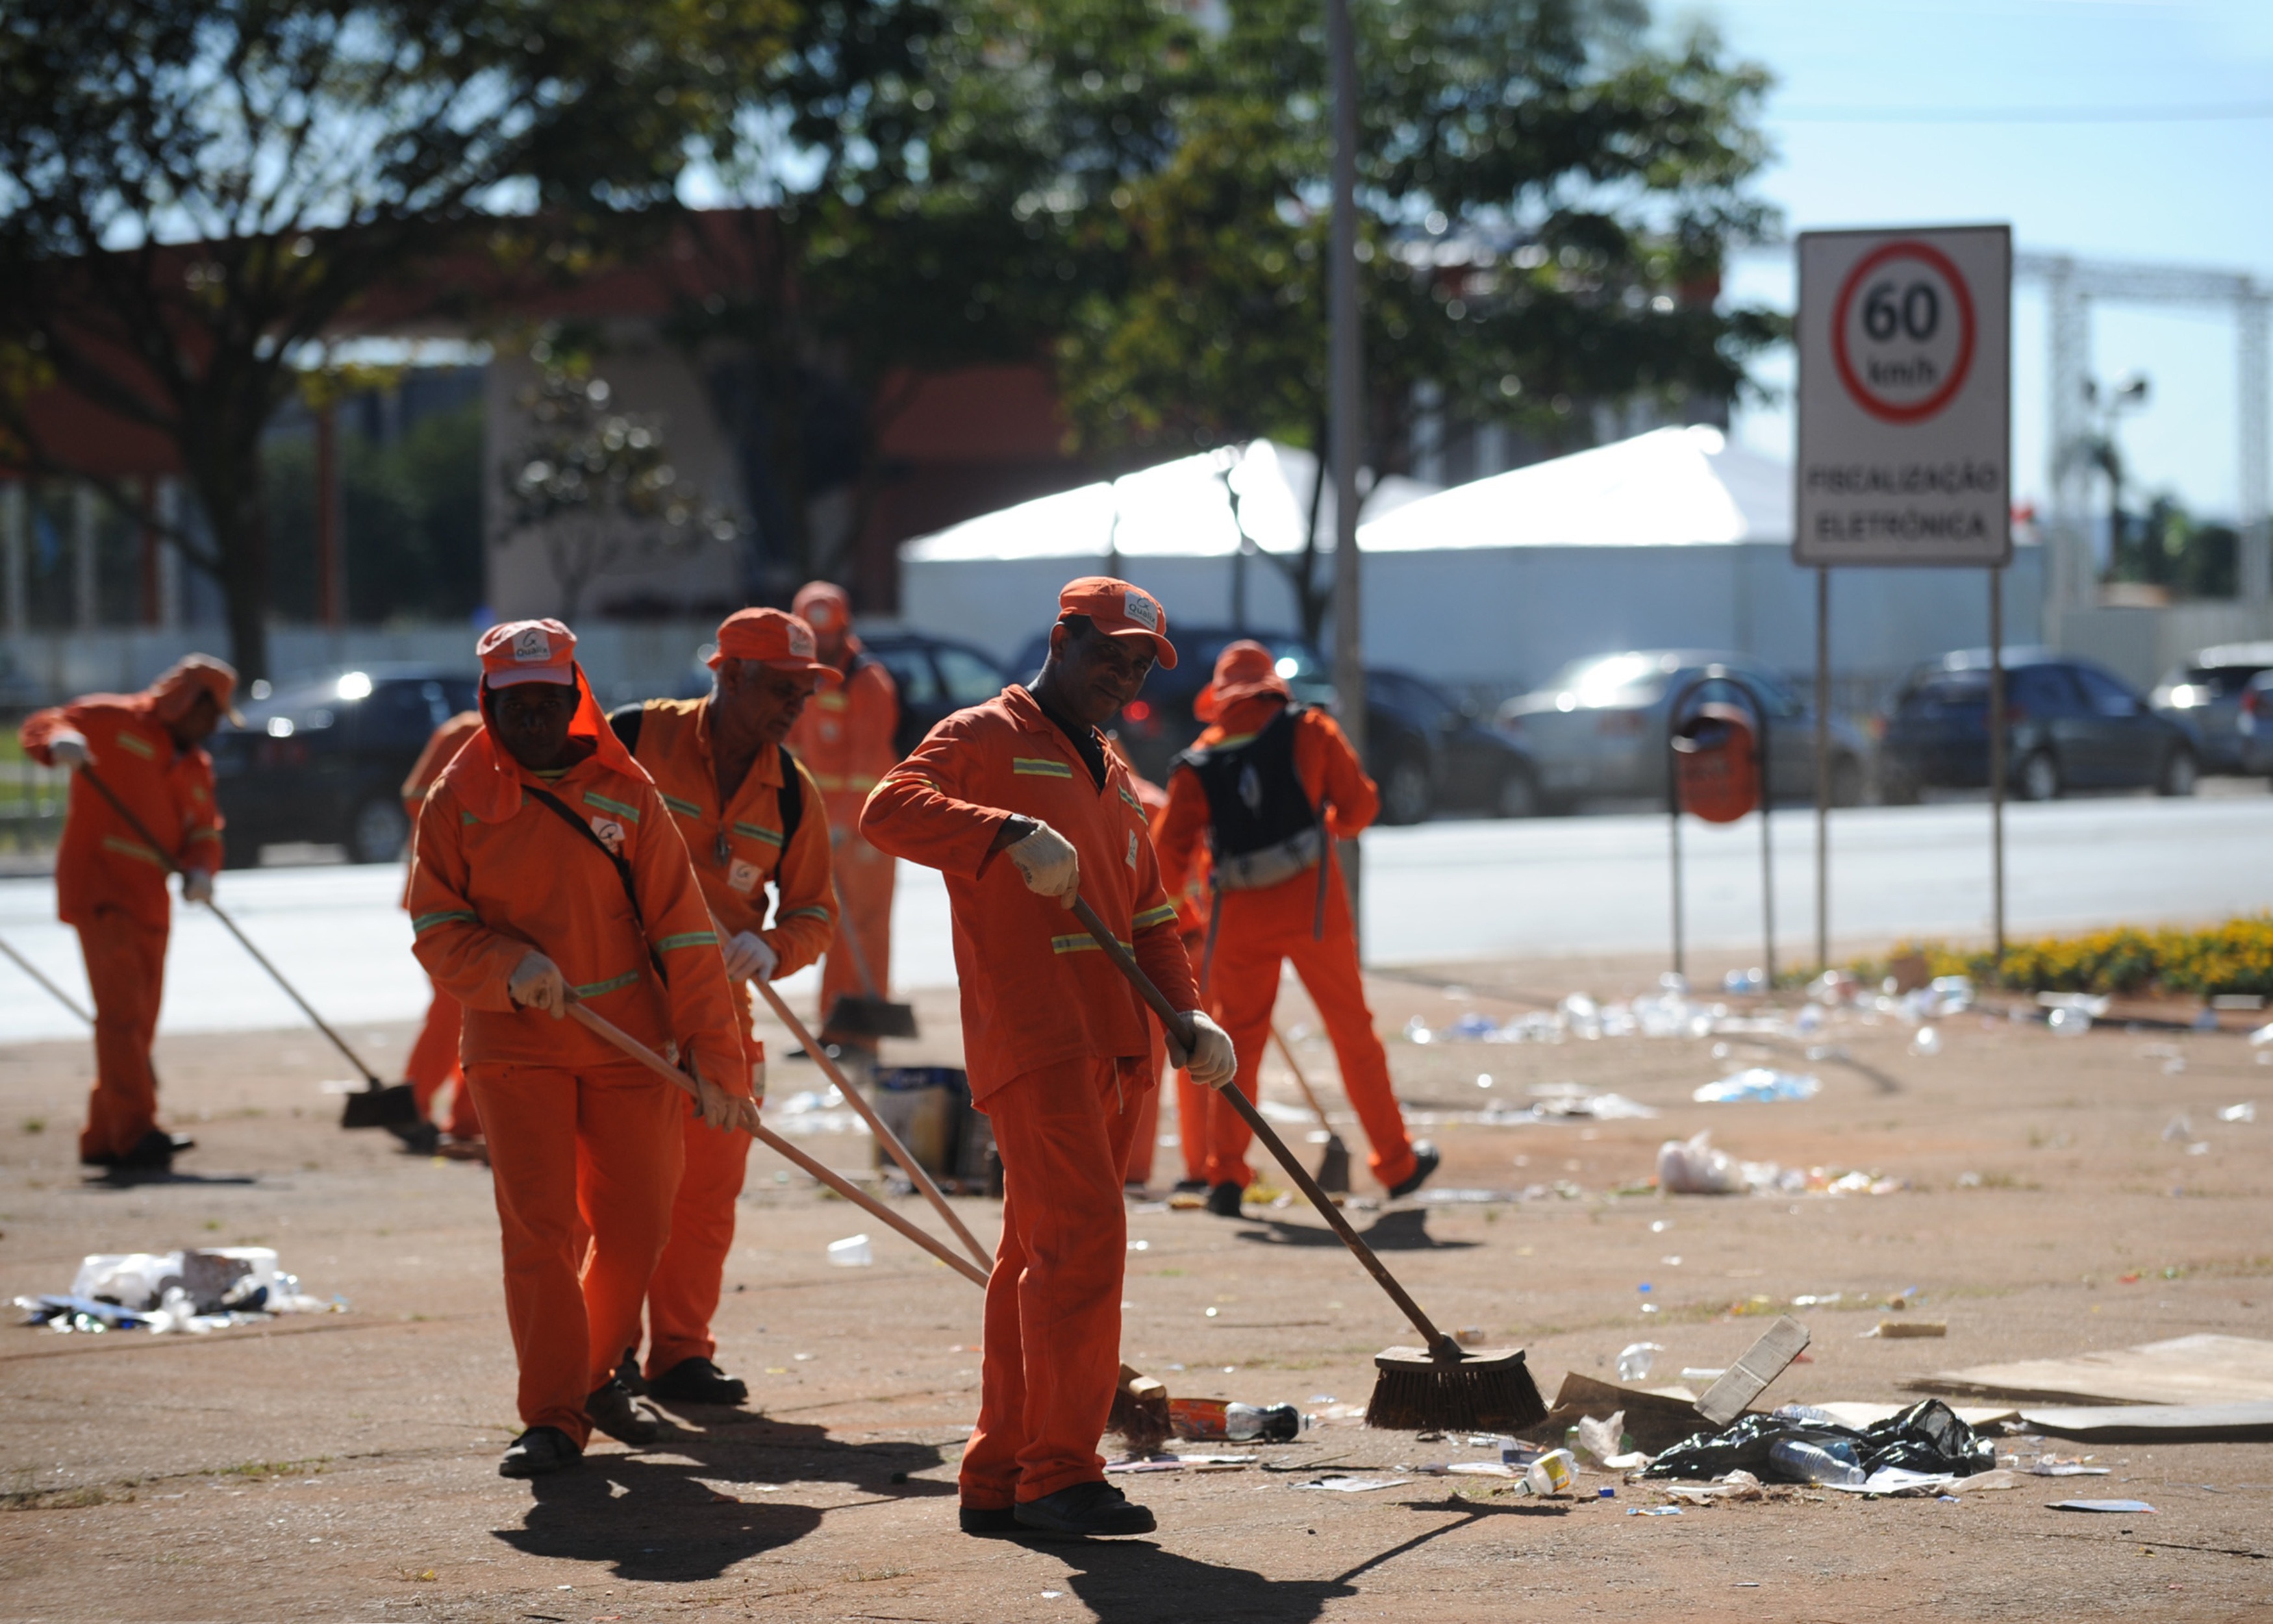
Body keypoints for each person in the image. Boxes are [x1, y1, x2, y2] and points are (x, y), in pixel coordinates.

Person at [862, 577, 1237, 1540]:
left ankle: (999, 1475)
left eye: (1138, 662)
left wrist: (1188, 1017)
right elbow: (887, 808)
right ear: (1062, 637)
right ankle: (1062, 1474)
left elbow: (1152, 916)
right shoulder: (986, 735)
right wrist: (1004, 832)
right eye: (1107, 651)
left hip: (1117, 1043)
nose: (1121, 673)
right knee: (1083, 1246)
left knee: (1035, 1255)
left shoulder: (1113, 772)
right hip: (1036, 1037)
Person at [407, 618, 751, 1479]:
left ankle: (594, 1372)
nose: (530, 719)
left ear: (576, 699)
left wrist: (718, 1064)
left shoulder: (628, 795)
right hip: (514, 1045)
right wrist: (502, 964)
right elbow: (435, 926)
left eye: (547, 702)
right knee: (541, 1232)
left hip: (628, 1043)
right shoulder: (459, 799)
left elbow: (684, 938)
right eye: (512, 704)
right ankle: (553, 1415)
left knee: (639, 1226)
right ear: (488, 702)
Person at [608, 607, 840, 1405]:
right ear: (727, 673)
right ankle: (603, 1358)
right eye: (780, 687)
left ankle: (679, 1353)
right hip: (619, 996)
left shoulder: (793, 795)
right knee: (616, 1194)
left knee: (705, 1194)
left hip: (720, 1004)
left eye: (804, 692)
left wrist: (772, 948)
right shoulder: (632, 737)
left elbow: (816, 912)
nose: (793, 706)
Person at [1153, 640, 1438, 1214]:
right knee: (1353, 1035)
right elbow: (1360, 809)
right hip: (1315, 911)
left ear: (1220, 698)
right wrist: (1321, 825)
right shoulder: (1311, 729)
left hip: (1237, 919)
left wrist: (1191, 917)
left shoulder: (1201, 757)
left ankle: (1226, 1176)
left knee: (1238, 1047)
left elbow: (1164, 858)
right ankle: (1397, 1164)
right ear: (1272, 685)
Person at [19, 655, 241, 1173]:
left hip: (151, 902)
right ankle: (135, 1132)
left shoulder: (195, 766)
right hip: (101, 889)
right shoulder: (112, 720)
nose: (211, 728)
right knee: (121, 1016)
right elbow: (42, 725)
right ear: (189, 702)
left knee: (138, 1023)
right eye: (210, 715)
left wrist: (203, 870)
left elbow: (205, 832)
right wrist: (57, 744)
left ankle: (103, 1136)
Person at [785, 581, 901, 1060]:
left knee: (866, 928)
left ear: (844, 630)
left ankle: (864, 1036)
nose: (822, 642)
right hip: (823, 826)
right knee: (832, 927)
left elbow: (870, 760)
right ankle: (834, 1029)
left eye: (827, 634)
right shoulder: (805, 680)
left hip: (865, 829)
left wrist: (847, 824)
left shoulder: (868, 681)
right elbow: (792, 745)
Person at [398, 710, 486, 1155]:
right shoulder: (463, 733)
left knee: (484, 1008)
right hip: (447, 892)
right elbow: (417, 796)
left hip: (485, 894)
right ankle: (411, 1103)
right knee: (454, 1006)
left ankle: (470, 1115)